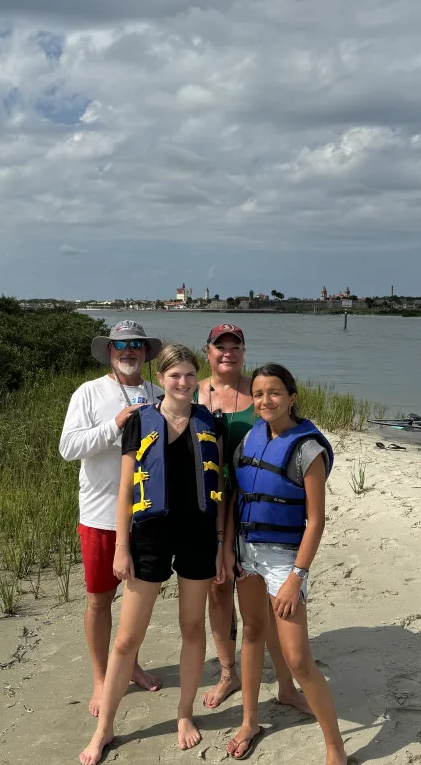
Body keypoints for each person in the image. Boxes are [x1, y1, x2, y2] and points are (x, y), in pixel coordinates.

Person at [79, 344, 227, 765]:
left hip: (198, 536)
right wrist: (121, 549)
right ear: (160, 378)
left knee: (192, 629)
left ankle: (185, 714)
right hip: (149, 536)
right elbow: (125, 491)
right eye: (174, 375)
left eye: (188, 375)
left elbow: (221, 490)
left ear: (196, 379)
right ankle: (104, 728)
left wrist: (219, 545)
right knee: (126, 638)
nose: (182, 382)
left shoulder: (209, 422)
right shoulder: (141, 421)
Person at [223, 363, 348, 764]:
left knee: (297, 658)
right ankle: (249, 720)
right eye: (258, 394)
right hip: (247, 553)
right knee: (253, 631)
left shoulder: (307, 449)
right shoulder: (249, 439)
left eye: (274, 392)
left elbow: (317, 520)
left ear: (291, 396)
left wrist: (297, 576)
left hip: (284, 561)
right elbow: (235, 495)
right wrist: (228, 548)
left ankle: (335, 748)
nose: (265, 401)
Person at [195, 323, 312, 715]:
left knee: (261, 606)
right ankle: (228, 672)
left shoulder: (260, 392)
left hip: (251, 510)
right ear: (208, 351)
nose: (227, 352)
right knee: (217, 588)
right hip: (208, 506)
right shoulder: (192, 392)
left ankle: (284, 683)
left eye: (235, 346)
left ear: (244, 351)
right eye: (219, 346)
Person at [59, 320, 164, 717]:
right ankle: (102, 677)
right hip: (101, 515)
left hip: (147, 515)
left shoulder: (157, 393)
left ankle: (130, 664)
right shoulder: (88, 392)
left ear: (146, 352)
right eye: (121, 345)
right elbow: (68, 447)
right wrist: (115, 424)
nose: (129, 351)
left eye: (137, 344)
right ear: (109, 350)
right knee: (100, 600)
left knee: (138, 601)